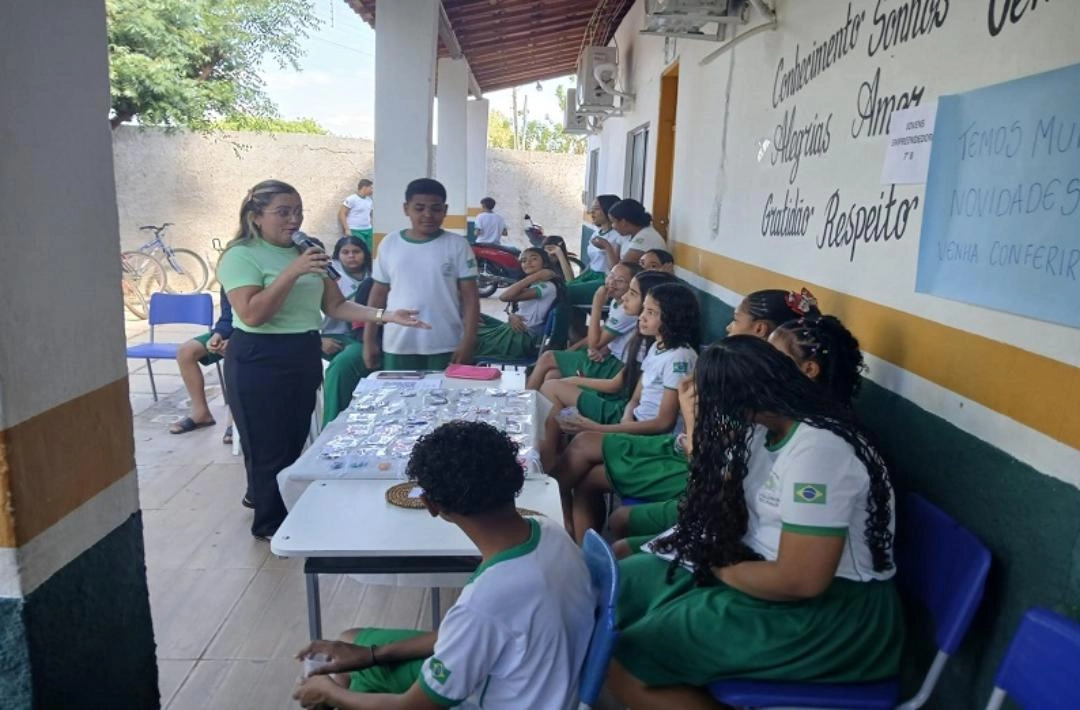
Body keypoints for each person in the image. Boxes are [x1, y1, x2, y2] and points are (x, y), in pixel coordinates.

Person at [606, 336, 901, 707]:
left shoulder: (819, 450)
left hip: (833, 616)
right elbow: (713, 497)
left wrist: (717, 568)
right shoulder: (764, 426)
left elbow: (800, 580)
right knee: (620, 585)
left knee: (629, 661)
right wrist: (701, 425)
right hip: (755, 569)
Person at [292, 421, 595, 710]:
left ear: (430, 505)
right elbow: (470, 633)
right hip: (548, 680)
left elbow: (411, 706)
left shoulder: (485, 603)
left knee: (340, 681)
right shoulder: (549, 531)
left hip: (497, 698)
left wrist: (327, 691)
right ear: (515, 477)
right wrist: (373, 654)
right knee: (350, 642)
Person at [218, 179, 426, 540]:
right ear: (256, 216)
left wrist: (386, 315)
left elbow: (335, 305)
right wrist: (292, 271)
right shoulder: (240, 255)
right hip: (258, 356)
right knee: (266, 446)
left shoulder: (308, 250)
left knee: (293, 440)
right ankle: (270, 525)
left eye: (298, 212)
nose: (294, 220)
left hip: (302, 351)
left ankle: (279, 506)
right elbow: (253, 314)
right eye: (283, 212)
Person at [611, 312, 864, 559]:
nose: (757, 363)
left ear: (808, 369)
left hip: (753, 549)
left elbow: (798, 573)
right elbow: (713, 484)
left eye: (771, 357)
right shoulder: (764, 421)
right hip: (735, 530)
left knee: (625, 546)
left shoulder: (819, 445)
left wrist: (693, 420)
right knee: (621, 543)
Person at [547, 281, 701, 540]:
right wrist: (626, 415)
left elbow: (663, 423)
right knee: (584, 477)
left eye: (651, 312)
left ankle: (551, 511)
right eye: (644, 310)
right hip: (634, 423)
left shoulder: (680, 358)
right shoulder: (657, 346)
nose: (642, 317)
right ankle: (571, 533)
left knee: (583, 443)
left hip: (658, 438)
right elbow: (636, 398)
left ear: (673, 318)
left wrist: (600, 428)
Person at [536, 271, 677, 470]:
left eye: (632, 293)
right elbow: (633, 396)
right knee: (552, 379)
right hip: (626, 409)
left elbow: (616, 386)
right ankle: (550, 456)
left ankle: (547, 462)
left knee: (552, 384)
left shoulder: (668, 352)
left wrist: (574, 381)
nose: (625, 297)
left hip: (622, 407)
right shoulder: (653, 344)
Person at [364, 178, 480, 371]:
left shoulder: (458, 245)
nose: (428, 215)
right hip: (398, 343)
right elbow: (377, 296)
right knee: (397, 391)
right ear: (406, 209)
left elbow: (471, 298)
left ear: (445, 210)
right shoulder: (390, 243)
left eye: (436, 209)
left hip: (446, 343)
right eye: (419, 208)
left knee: (445, 391)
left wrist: (468, 340)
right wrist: (369, 340)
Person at [525, 261, 641, 390]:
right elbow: (606, 333)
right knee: (552, 375)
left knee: (547, 357)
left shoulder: (625, 311)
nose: (612, 282)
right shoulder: (617, 301)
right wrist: (574, 349)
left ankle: (524, 401)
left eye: (620, 281)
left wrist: (597, 304)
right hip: (607, 357)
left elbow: (594, 343)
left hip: (616, 366)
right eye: (611, 276)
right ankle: (536, 400)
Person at [321, 236, 377, 425]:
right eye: (345, 252)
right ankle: (332, 425)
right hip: (335, 336)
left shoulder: (375, 274)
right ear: (338, 256)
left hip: (361, 335)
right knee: (344, 365)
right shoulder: (329, 274)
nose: (351, 256)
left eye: (356, 252)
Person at [168, 287, 235, 445]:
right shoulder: (228, 278)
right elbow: (227, 318)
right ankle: (201, 413)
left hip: (255, 334)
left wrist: (234, 342)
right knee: (186, 352)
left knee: (234, 355)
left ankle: (235, 421)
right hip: (230, 332)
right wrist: (218, 335)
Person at [472, 247, 564, 361]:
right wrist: (512, 316)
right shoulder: (536, 285)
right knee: (473, 316)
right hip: (516, 330)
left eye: (534, 259)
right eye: (524, 261)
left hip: (520, 338)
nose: (528, 262)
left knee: (468, 335)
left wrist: (536, 276)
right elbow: (520, 309)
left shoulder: (546, 287)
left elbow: (504, 297)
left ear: (545, 264)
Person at [566, 194, 623, 306]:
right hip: (590, 274)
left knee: (565, 292)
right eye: (591, 209)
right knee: (560, 287)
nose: (592, 212)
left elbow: (615, 268)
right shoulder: (596, 233)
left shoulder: (617, 236)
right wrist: (580, 277)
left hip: (604, 278)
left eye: (596, 209)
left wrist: (607, 247)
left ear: (609, 211)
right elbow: (593, 262)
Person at [607, 198, 666, 265]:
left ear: (623, 222)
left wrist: (607, 246)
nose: (612, 226)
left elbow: (620, 267)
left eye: (613, 222)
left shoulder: (646, 236)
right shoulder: (627, 234)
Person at [339, 178, 374, 252]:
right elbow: (342, 214)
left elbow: (370, 215)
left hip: (368, 229)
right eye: (371, 188)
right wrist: (347, 229)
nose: (372, 190)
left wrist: (372, 226)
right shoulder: (351, 199)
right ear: (364, 187)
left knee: (369, 251)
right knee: (359, 250)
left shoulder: (369, 200)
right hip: (355, 230)